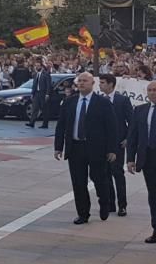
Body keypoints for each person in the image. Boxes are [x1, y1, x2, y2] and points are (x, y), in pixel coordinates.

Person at [53, 72, 117, 225]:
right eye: (79, 81)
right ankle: (83, 213)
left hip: (96, 148)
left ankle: (104, 202)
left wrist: (112, 149)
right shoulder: (69, 102)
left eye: (85, 81)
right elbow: (61, 125)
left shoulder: (102, 102)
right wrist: (58, 147)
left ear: (92, 83)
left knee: (99, 179)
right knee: (78, 182)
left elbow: (112, 127)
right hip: (75, 147)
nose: (81, 83)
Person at [98, 73, 132, 217]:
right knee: (105, 174)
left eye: (103, 82)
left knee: (117, 173)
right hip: (102, 143)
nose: (100, 85)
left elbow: (132, 121)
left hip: (118, 143)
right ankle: (110, 203)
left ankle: (122, 205)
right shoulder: (98, 100)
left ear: (111, 84)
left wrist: (127, 139)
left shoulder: (122, 100)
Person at [127, 81, 156, 243]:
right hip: (148, 159)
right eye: (150, 90)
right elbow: (133, 136)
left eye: (155, 90)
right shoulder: (140, 110)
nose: (152, 93)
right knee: (153, 195)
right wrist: (131, 159)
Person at [27, 58, 53, 129]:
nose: (37, 67)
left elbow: (48, 85)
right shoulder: (36, 74)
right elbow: (34, 85)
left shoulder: (46, 74)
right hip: (37, 93)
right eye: (36, 66)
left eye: (38, 66)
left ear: (41, 66)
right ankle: (32, 122)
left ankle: (45, 124)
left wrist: (47, 94)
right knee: (35, 108)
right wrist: (32, 93)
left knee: (44, 109)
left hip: (43, 93)